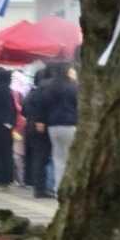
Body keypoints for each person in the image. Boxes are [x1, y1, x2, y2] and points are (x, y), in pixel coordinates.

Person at [41, 62, 79, 194]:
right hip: (69, 124)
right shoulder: (73, 87)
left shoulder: (50, 87)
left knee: (58, 157)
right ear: (67, 71)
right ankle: (70, 186)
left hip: (53, 126)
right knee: (70, 156)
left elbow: (45, 106)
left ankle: (58, 187)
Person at [23, 70, 54, 198]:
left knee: (37, 157)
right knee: (41, 157)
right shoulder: (42, 93)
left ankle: (38, 185)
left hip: (30, 126)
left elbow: (24, 111)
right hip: (40, 127)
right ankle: (41, 188)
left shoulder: (30, 94)